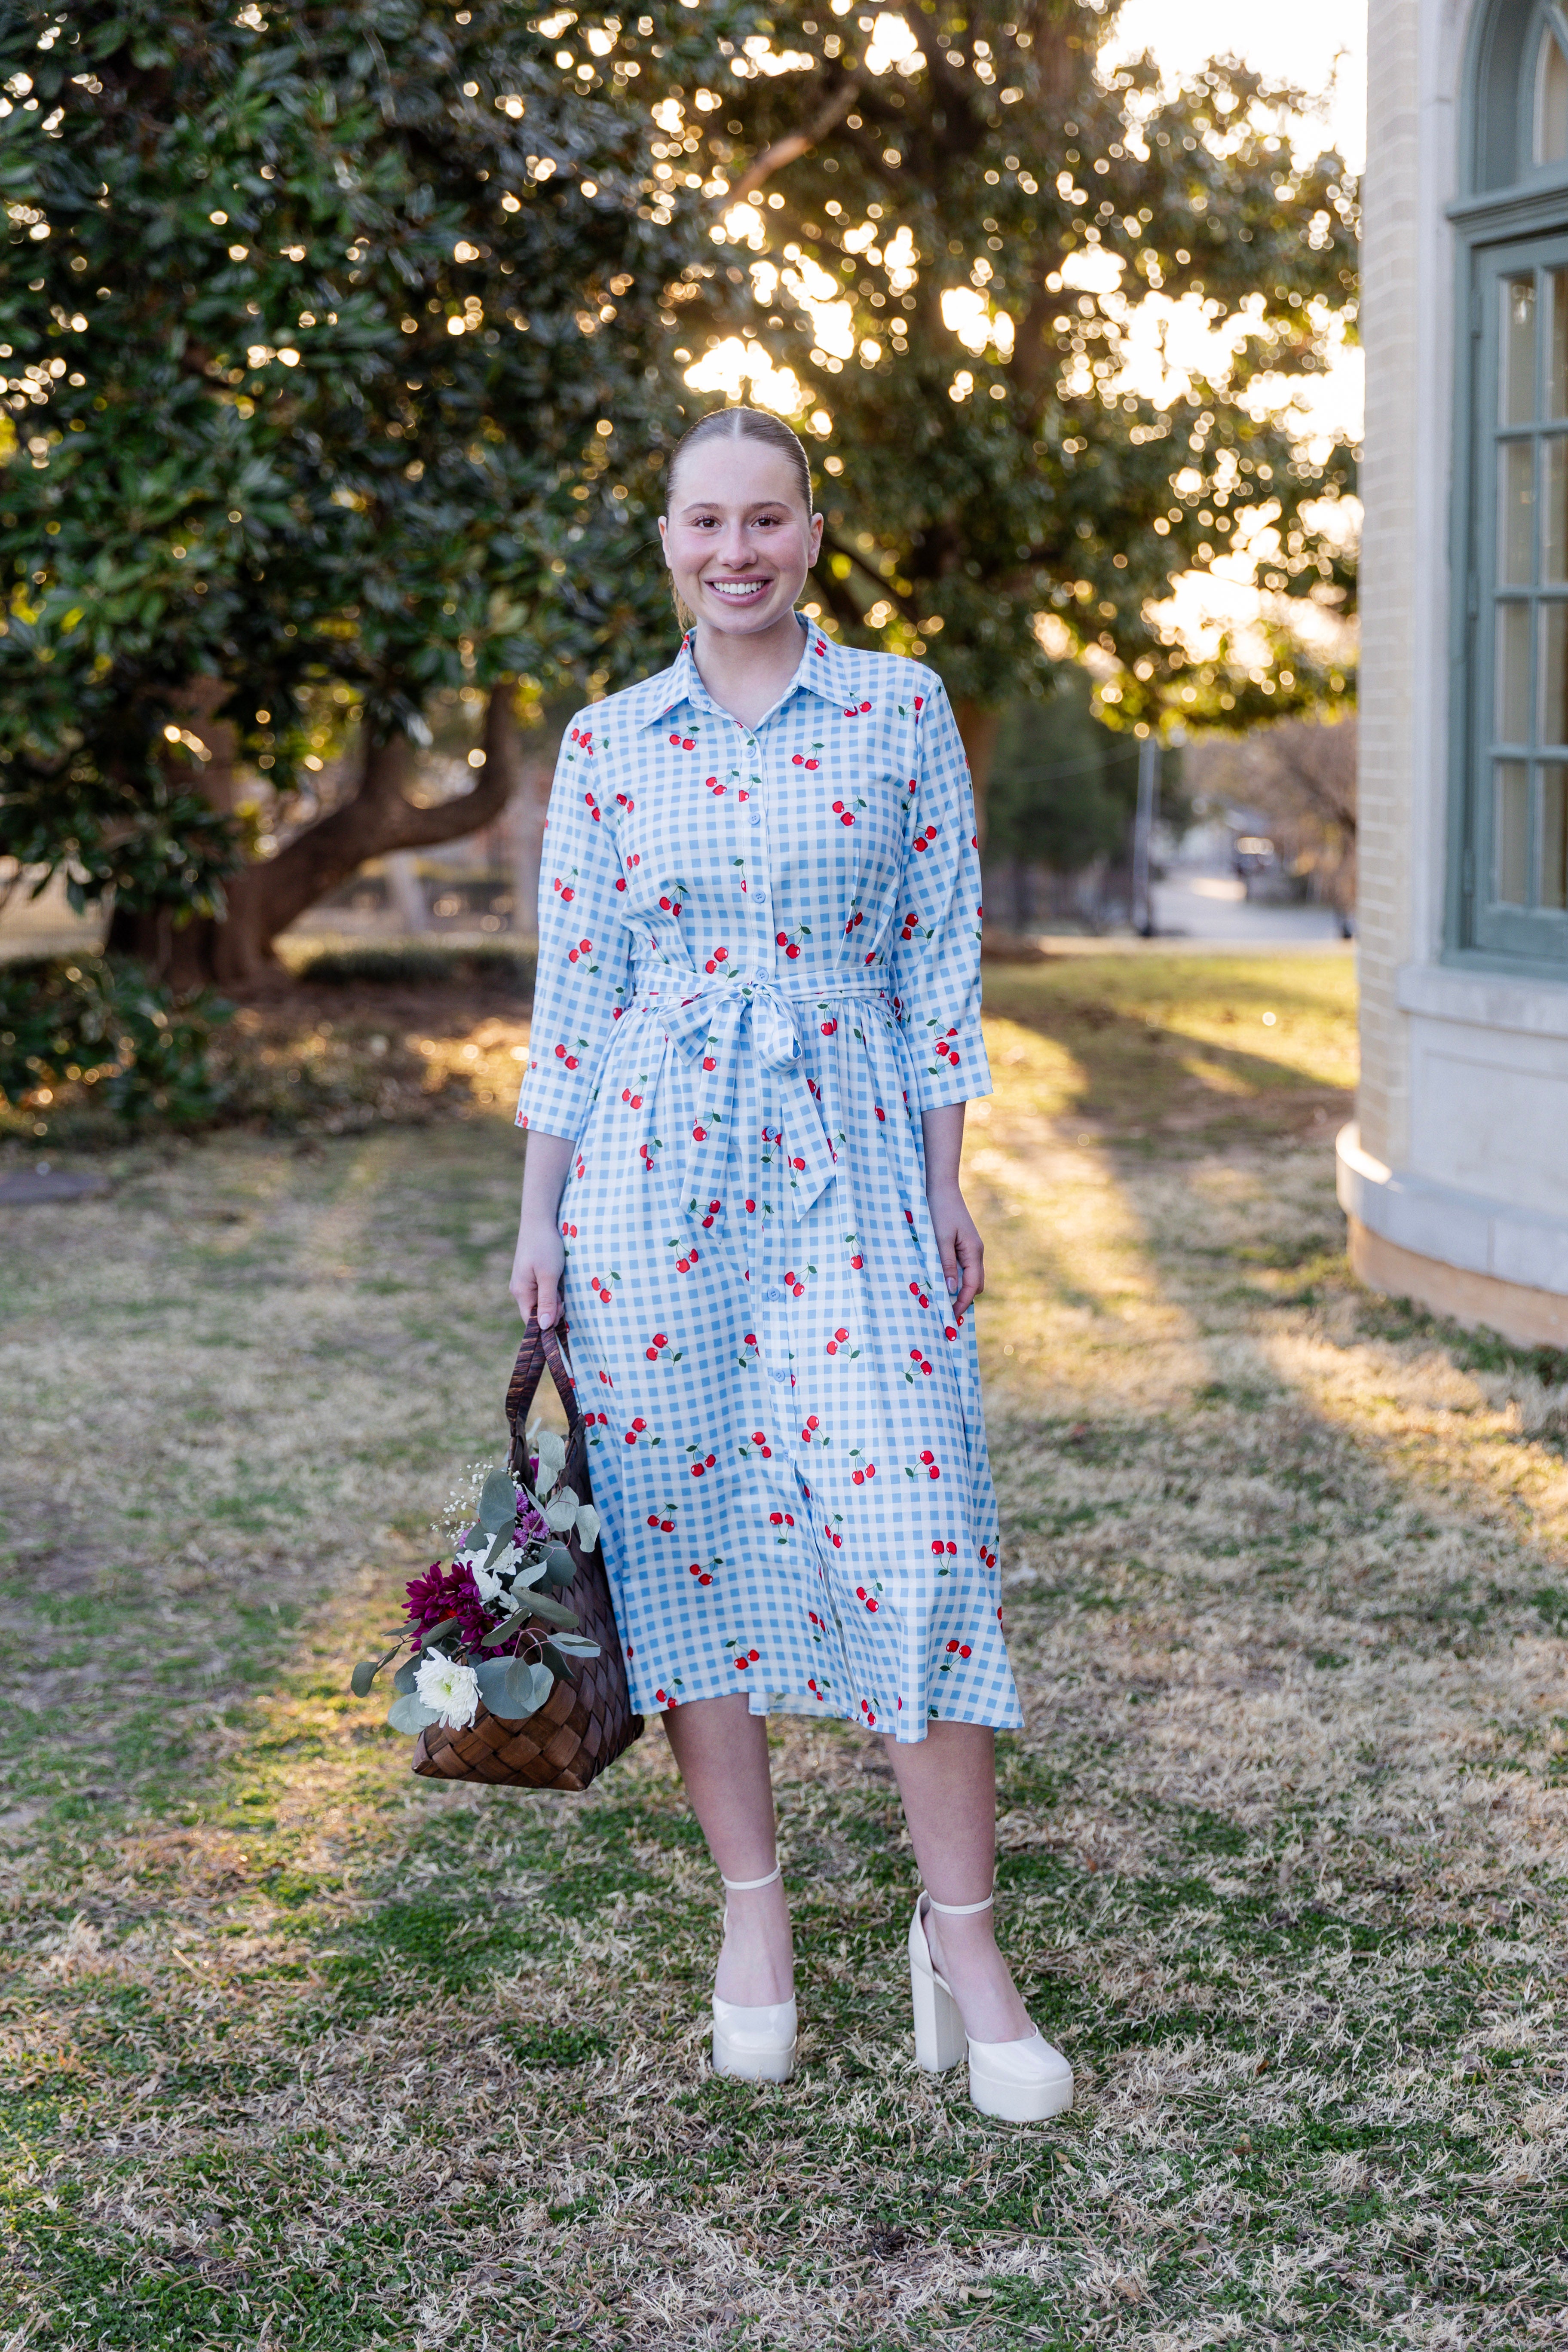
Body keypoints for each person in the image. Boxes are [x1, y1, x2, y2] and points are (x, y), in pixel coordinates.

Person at [508, 404, 1072, 2123]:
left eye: (767, 520)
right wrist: (537, 1217)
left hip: (853, 1169)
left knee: (919, 1547)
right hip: (647, 1188)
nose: (736, 551)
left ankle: (963, 1940)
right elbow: (574, 995)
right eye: (705, 524)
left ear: (814, 532)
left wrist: (947, 1180)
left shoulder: (900, 708)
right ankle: (754, 1917)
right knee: (686, 1554)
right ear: (667, 543)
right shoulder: (609, 747)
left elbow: (937, 963)